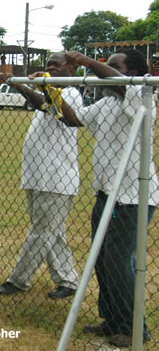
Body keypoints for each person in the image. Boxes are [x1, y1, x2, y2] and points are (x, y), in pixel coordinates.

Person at [59, 49, 157, 347]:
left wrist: (88, 62)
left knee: (117, 261)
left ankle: (131, 328)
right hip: (106, 193)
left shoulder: (141, 96)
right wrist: (46, 92)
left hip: (131, 197)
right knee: (101, 261)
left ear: (133, 74)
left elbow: (121, 82)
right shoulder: (107, 103)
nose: (102, 71)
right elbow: (74, 119)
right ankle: (112, 320)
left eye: (112, 67)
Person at [0, 52, 81, 299]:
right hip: (37, 175)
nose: (51, 67)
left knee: (42, 231)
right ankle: (68, 280)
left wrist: (23, 85)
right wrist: (26, 85)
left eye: (56, 64)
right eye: (48, 64)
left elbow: (51, 106)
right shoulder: (48, 89)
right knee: (52, 231)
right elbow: (42, 102)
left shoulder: (70, 92)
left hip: (57, 178)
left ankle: (18, 280)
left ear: (70, 68)